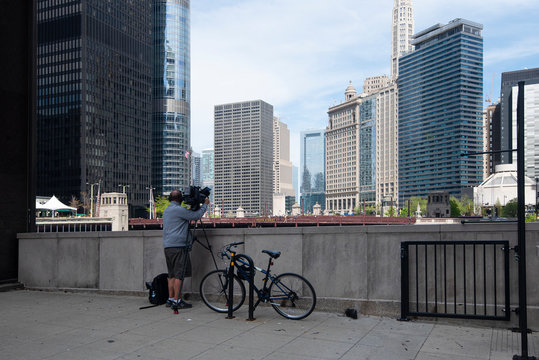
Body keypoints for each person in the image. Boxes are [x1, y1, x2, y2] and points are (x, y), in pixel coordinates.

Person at [162, 189, 209, 311]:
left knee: (171, 275)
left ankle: (171, 299)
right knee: (179, 275)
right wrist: (205, 205)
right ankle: (177, 301)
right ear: (180, 199)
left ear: (170, 199)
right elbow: (196, 216)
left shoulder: (167, 210)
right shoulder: (179, 210)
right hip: (178, 246)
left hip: (168, 246)